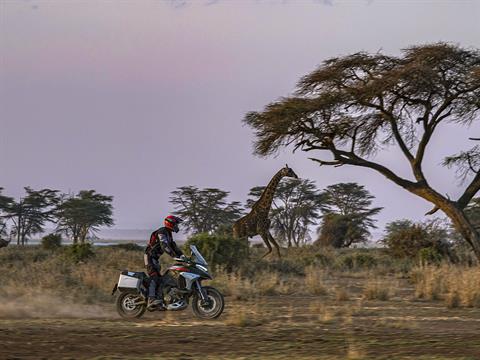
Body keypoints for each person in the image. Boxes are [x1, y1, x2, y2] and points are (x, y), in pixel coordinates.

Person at [144, 215, 185, 309]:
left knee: (161, 279)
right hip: (149, 256)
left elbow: (173, 246)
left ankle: (159, 300)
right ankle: (151, 299)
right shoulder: (162, 232)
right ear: (170, 223)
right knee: (154, 276)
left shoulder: (168, 234)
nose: (177, 226)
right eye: (175, 224)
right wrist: (174, 256)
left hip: (155, 259)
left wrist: (182, 256)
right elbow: (164, 246)